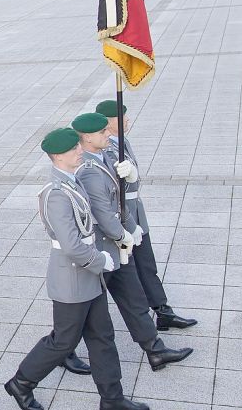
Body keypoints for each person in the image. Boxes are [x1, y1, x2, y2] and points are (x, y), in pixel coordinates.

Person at [5, 128, 146, 410]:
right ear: (58, 156)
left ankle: (112, 399)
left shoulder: (72, 181)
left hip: (89, 276)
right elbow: (70, 245)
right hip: (72, 278)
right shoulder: (55, 193)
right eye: (73, 150)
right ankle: (21, 382)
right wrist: (101, 261)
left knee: (102, 337)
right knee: (63, 341)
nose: (79, 150)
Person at [71, 113, 193, 371]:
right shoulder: (90, 170)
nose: (108, 135)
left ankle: (155, 350)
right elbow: (104, 212)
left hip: (117, 249)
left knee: (134, 299)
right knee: (80, 312)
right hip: (103, 252)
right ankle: (60, 350)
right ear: (88, 137)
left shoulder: (104, 157)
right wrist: (123, 234)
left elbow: (121, 199)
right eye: (103, 132)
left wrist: (131, 228)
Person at [95, 101, 196, 331]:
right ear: (107, 122)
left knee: (146, 264)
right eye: (122, 117)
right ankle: (64, 339)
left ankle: (162, 310)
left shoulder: (121, 141)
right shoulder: (107, 149)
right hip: (121, 217)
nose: (127, 120)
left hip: (134, 213)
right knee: (101, 284)